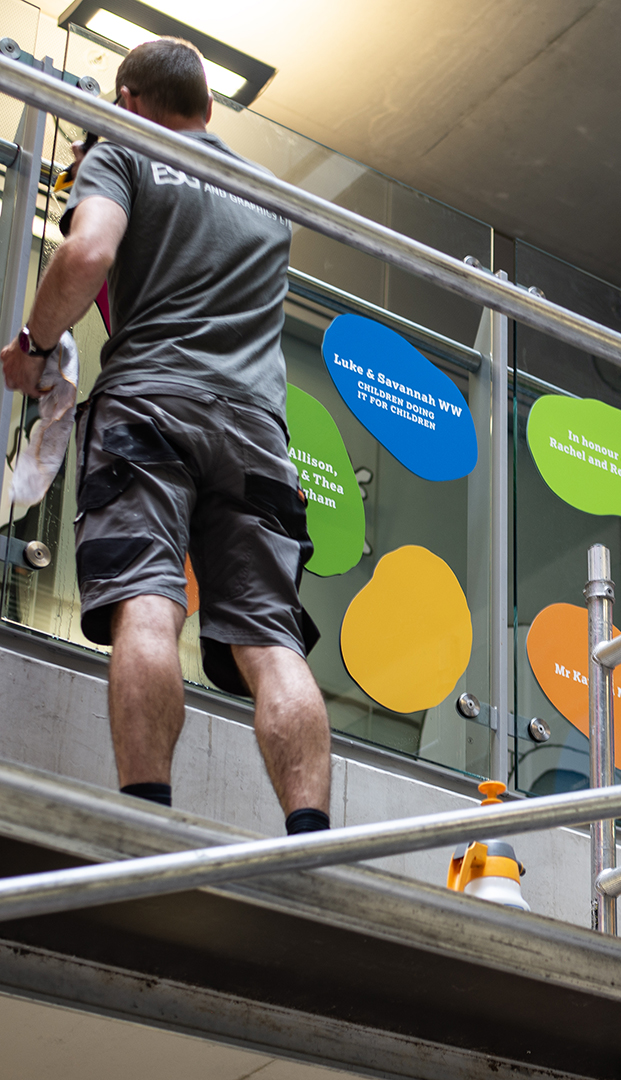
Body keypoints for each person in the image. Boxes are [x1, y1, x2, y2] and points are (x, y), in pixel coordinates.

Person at [0, 37, 332, 836]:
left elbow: (88, 252)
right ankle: (309, 840)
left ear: (126, 99)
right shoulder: (267, 192)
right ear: (210, 110)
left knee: (149, 607)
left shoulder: (124, 150)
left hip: (151, 404)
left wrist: (34, 348)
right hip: (256, 430)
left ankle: (144, 823)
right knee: (269, 639)